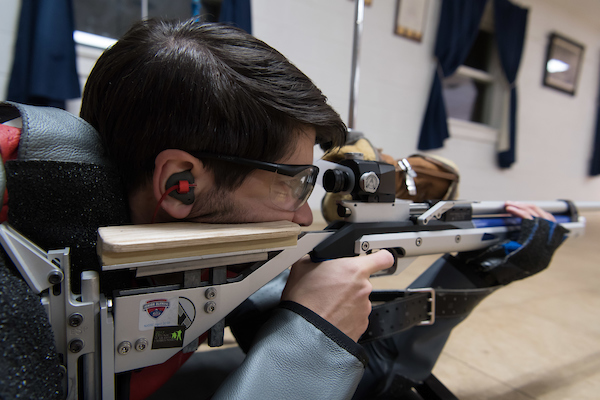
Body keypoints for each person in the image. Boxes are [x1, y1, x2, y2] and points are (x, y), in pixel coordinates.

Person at [0, 18, 565, 400]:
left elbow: (375, 370)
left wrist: (477, 268)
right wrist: (311, 337)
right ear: (179, 185)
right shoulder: (13, 301)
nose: (302, 216)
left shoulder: (106, 225)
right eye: (295, 184)